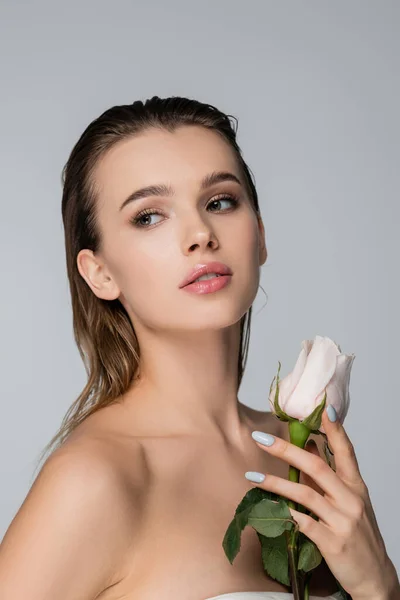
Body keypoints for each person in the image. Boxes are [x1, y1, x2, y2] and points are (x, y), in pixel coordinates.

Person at [0, 96, 398, 600]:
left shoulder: (307, 454)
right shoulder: (96, 479)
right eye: (148, 217)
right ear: (98, 272)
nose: (200, 235)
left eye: (220, 201)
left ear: (259, 234)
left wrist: (380, 586)